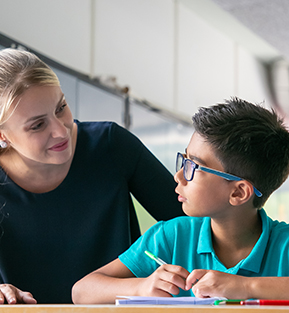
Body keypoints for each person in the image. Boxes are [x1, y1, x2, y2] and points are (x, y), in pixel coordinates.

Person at [0, 48, 184, 304]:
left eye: (61, 107)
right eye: (38, 125)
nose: (60, 130)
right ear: (2, 136)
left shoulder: (111, 145)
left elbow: (195, 223)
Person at [71, 97, 289, 304]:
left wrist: (246, 287)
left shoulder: (284, 246)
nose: (178, 176)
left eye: (193, 167)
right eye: (184, 159)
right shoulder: (170, 237)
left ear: (238, 193)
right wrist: (141, 287)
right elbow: (81, 291)